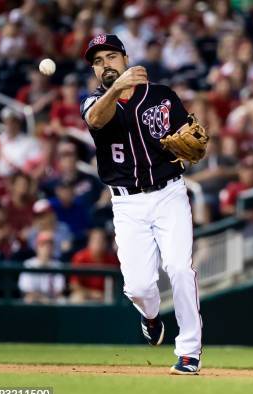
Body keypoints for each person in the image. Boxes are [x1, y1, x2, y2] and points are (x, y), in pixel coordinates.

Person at [80, 34, 203, 374]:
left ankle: (189, 352)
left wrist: (191, 144)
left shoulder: (161, 95)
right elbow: (96, 121)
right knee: (138, 287)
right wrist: (117, 88)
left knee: (180, 268)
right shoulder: (94, 102)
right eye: (98, 61)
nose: (105, 64)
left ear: (124, 57)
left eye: (111, 57)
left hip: (169, 194)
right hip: (127, 205)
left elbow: (189, 135)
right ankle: (150, 318)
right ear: (94, 71)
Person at [69, 228, 119, 304]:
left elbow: (117, 284)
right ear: (89, 242)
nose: (99, 243)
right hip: (85, 295)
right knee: (76, 298)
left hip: (106, 296)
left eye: (102, 240)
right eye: (95, 240)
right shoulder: (80, 257)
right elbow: (74, 285)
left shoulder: (111, 259)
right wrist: (93, 294)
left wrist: (105, 295)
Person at [18, 230, 65, 304]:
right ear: (37, 246)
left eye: (50, 244)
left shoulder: (57, 265)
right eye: (43, 244)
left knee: (62, 301)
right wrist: (43, 299)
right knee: (28, 299)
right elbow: (28, 291)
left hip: (52, 302)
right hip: (35, 301)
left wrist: (48, 300)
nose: (47, 247)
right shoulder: (28, 264)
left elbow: (58, 291)